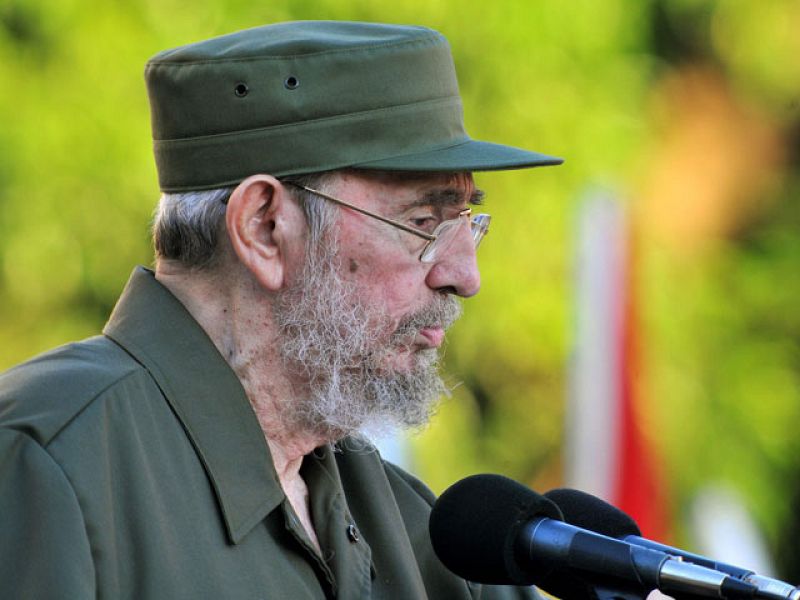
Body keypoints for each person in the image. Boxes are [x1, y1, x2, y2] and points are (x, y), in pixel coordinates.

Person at [0, 21, 562, 598]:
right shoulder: (44, 463)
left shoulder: (412, 523)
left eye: (468, 221)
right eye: (423, 223)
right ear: (264, 228)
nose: (465, 277)